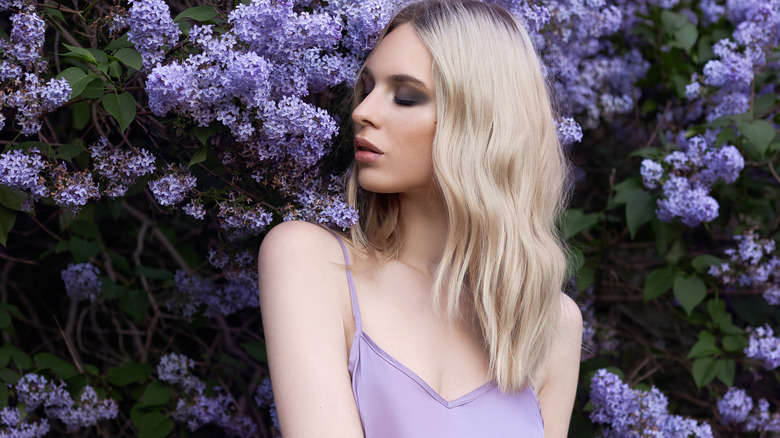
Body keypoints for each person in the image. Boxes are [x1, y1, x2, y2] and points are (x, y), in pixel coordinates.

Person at [258, 1, 582, 436]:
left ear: (482, 123)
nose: (362, 112)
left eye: (406, 96)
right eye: (367, 88)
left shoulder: (550, 323)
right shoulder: (311, 261)